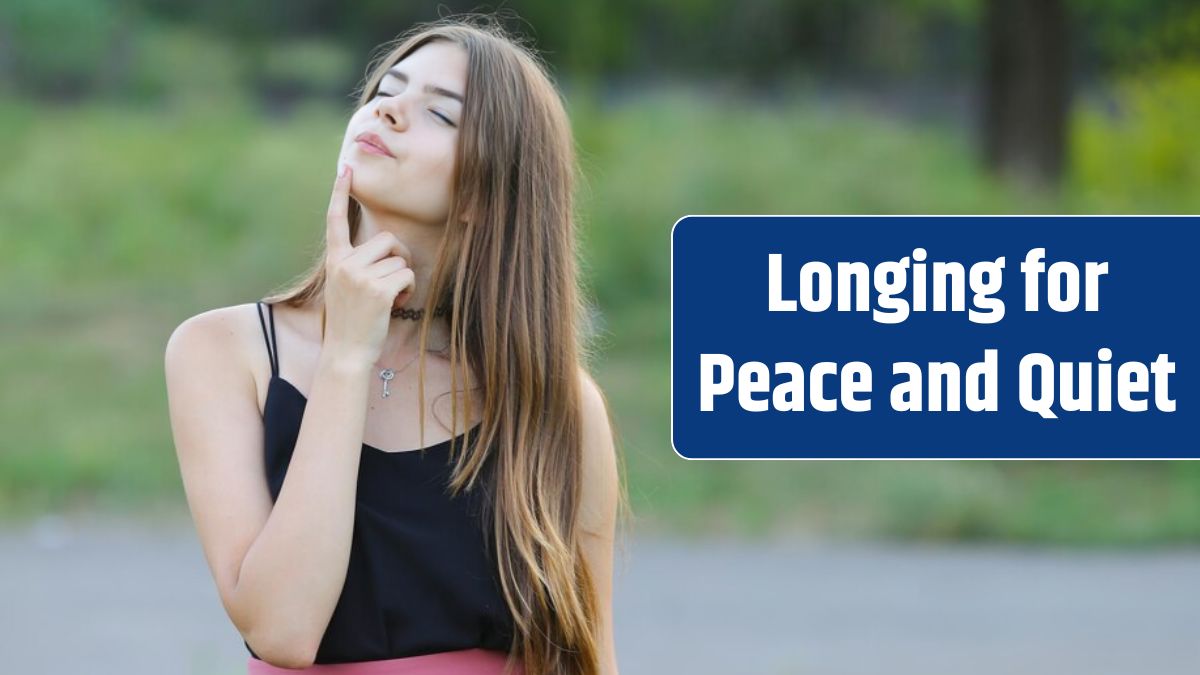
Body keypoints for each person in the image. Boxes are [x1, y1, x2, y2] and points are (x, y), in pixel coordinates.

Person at [164, 16, 623, 675]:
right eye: (388, 87)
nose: (389, 109)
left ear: (486, 195)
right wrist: (348, 353)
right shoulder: (222, 351)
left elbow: (587, 658)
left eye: (439, 113)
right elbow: (283, 628)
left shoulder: (558, 405)